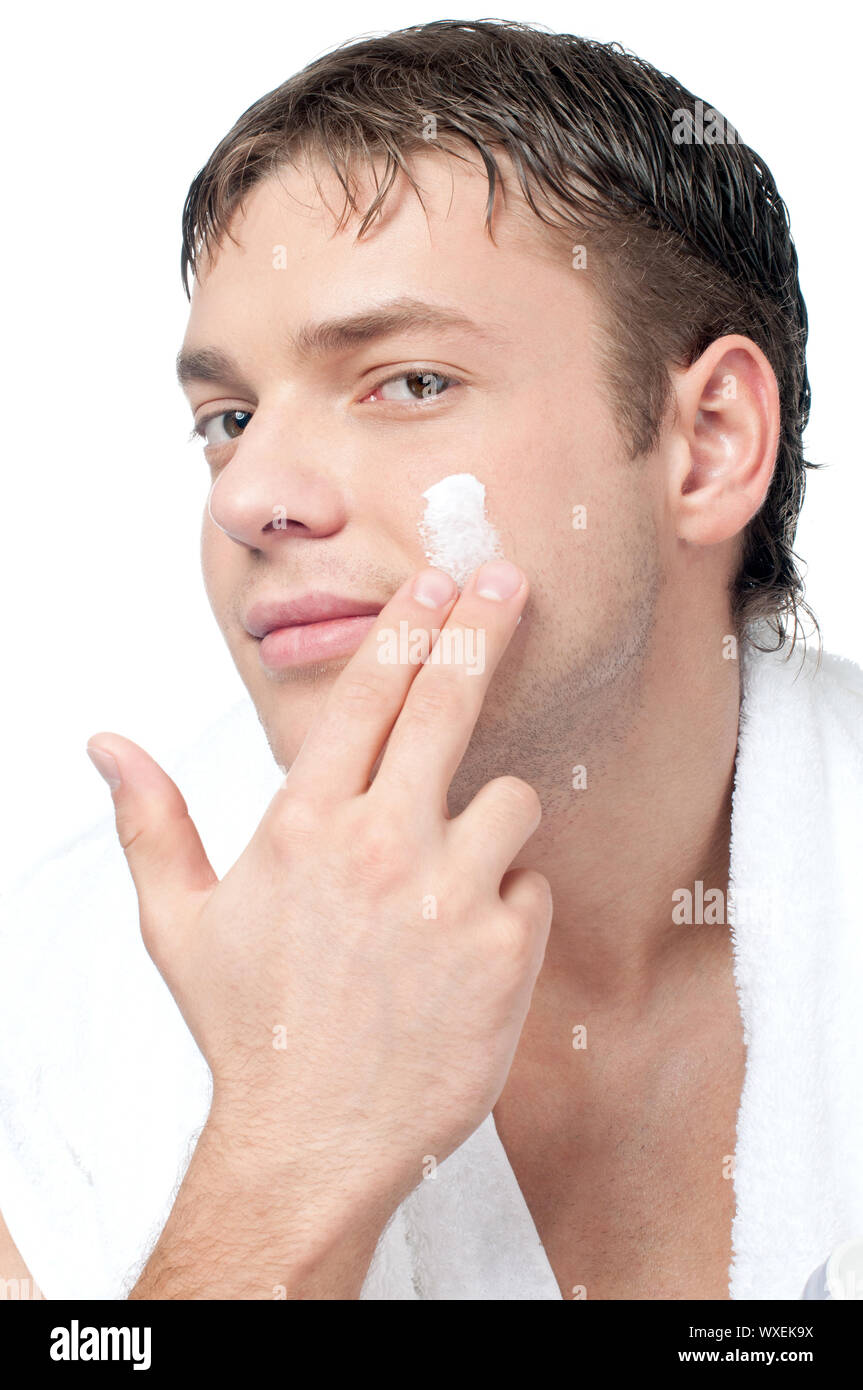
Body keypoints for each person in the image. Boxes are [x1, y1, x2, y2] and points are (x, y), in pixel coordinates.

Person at [2, 18, 861, 1302]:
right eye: (226, 420)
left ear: (708, 444)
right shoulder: (38, 1033)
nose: (252, 496)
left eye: (405, 383)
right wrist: (283, 1154)